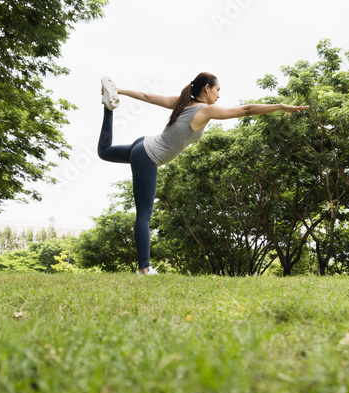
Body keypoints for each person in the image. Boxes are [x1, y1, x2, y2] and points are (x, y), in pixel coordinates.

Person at [97, 73, 309, 275]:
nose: (219, 94)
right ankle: (144, 270)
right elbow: (246, 110)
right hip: (148, 156)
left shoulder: (182, 102)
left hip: (141, 145)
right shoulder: (204, 110)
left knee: (104, 152)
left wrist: (119, 91)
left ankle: (109, 108)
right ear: (206, 88)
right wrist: (280, 107)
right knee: (144, 214)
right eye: (217, 89)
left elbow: (147, 97)